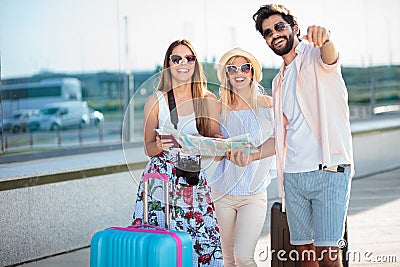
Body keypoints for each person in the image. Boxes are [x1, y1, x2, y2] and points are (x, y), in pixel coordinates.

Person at [252, 4, 354, 267]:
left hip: (328, 171)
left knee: (329, 256)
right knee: (304, 253)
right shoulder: (279, 82)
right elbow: (282, 136)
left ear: (294, 28)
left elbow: (331, 55)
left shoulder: (316, 56)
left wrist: (326, 37)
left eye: (279, 26)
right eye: (267, 32)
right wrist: (251, 154)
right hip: (294, 177)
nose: (274, 34)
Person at [132, 39, 223, 266]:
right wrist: (160, 146)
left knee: (205, 242)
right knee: (161, 243)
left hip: (193, 177)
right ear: (168, 64)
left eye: (189, 58)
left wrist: (219, 144)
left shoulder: (208, 99)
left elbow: (215, 142)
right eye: (176, 58)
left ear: (195, 63)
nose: (183, 63)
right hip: (159, 181)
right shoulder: (156, 100)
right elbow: (148, 148)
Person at [210, 48, 275, 267]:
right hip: (222, 194)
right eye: (232, 68)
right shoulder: (220, 108)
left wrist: (254, 155)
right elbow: (217, 158)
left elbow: (279, 141)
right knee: (227, 259)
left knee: (243, 257)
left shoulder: (268, 104)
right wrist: (216, 146)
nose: (239, 73)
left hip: (253, 194)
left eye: (244, 67)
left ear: (252, 73)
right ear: (227, 75)